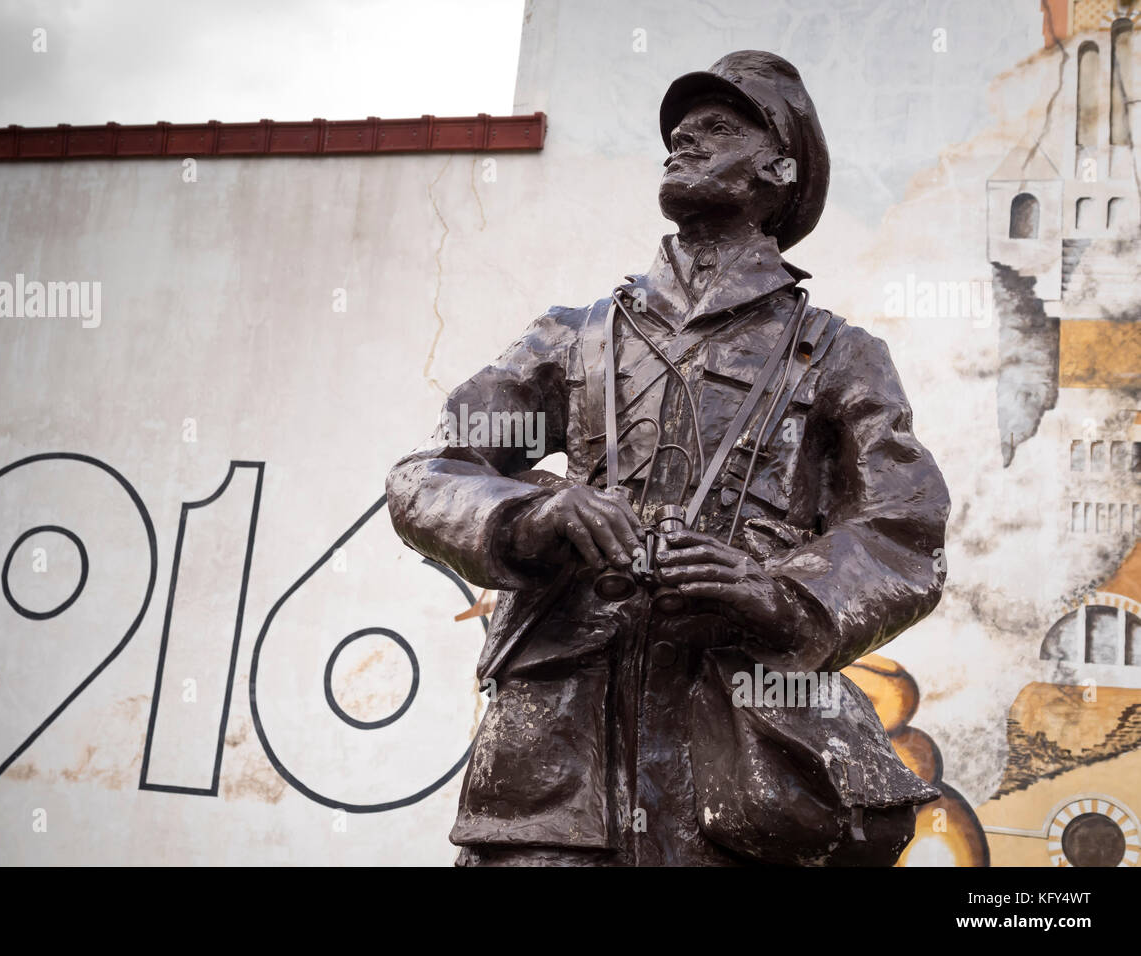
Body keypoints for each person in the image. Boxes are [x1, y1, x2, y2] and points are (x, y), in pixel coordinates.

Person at [385, 50, 949, 866]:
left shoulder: (838, 356)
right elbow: (428, 474)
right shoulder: (572, 338)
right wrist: (531, 511)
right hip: (555, 772)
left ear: (779, 168)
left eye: (718, 128)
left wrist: (776, 594)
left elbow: (904, 530)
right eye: (680, 131)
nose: (682, 138)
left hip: (736, 768)